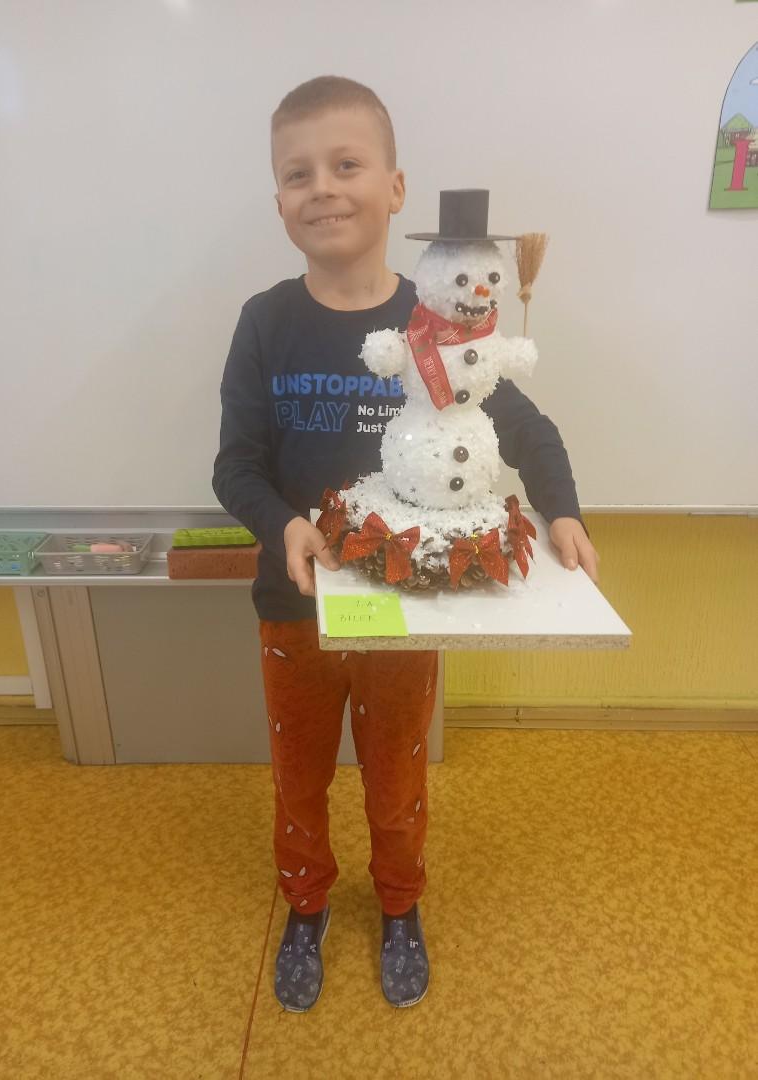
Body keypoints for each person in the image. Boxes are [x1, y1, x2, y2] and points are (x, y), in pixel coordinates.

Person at [213, 75, 600, 1013]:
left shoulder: (439, 325)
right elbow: (236, 466)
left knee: (396, 780)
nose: (323, 188)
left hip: (405, 610)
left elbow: (529, 429)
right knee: (298, 778)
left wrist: (563, 510)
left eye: (347, 165)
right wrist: (286, 526)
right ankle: (306, 905)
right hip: (295, 608)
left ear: (394, 189)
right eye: (298, 173)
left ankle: (398, 905)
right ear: (278, 201)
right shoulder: (265, 321)